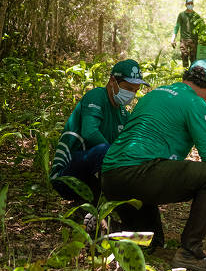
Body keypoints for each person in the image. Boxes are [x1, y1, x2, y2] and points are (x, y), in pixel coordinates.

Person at [101, 59, 206, 271]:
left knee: (151, 242)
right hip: (141, 173)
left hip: (112, 177)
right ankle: (190, 252)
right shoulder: (195, 102)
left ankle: (107, 230)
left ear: (186, 76)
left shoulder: (154, 94)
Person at [50, 59, 149, 204]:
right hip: (66, 176)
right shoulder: (97, 96)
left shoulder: (122, 113)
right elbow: (90, 132)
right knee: (105, 151)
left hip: (90, 179)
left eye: (135, 90)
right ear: (112, 80)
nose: (132, 94)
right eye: (128, 88)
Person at [171, 0, 203, 67]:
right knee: (184, 56)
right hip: (184, 40)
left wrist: (202, 39)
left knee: (193, 58)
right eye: (188, 4)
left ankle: (193, 74)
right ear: (185, 5)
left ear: (193, 5)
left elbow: (201, 28)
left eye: (191, 3)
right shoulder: (181, 15)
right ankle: (185, 74)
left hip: (194, 40)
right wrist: (173, 38)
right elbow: (177, 27)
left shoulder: (196, 16)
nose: (190, 5)